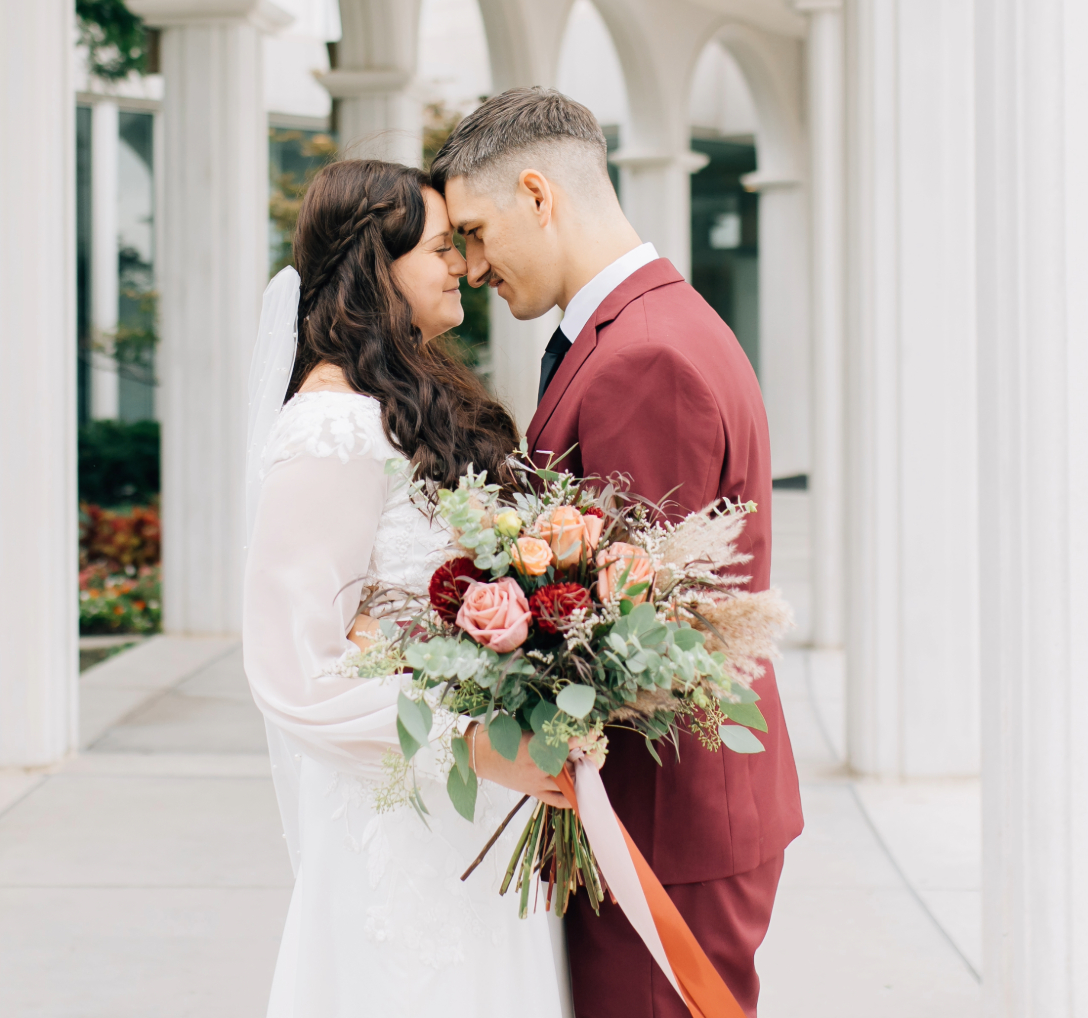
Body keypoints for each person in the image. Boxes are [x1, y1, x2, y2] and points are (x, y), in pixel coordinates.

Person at [432, 88, 803, 1018]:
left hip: (661, 822)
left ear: (537, 193)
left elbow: (631, 625)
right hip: (653, 811)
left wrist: (494, 730)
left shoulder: (646, 355)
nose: (472, 267)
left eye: (475, 231)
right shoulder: (645, 326)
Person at [242, 158, 571, 1018]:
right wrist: (468, 742)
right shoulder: (326, 430)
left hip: (462, 814)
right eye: (440, 247)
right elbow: (293, 669)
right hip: (400, 822)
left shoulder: (401, 402)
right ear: (374, 270)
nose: (462, 264)